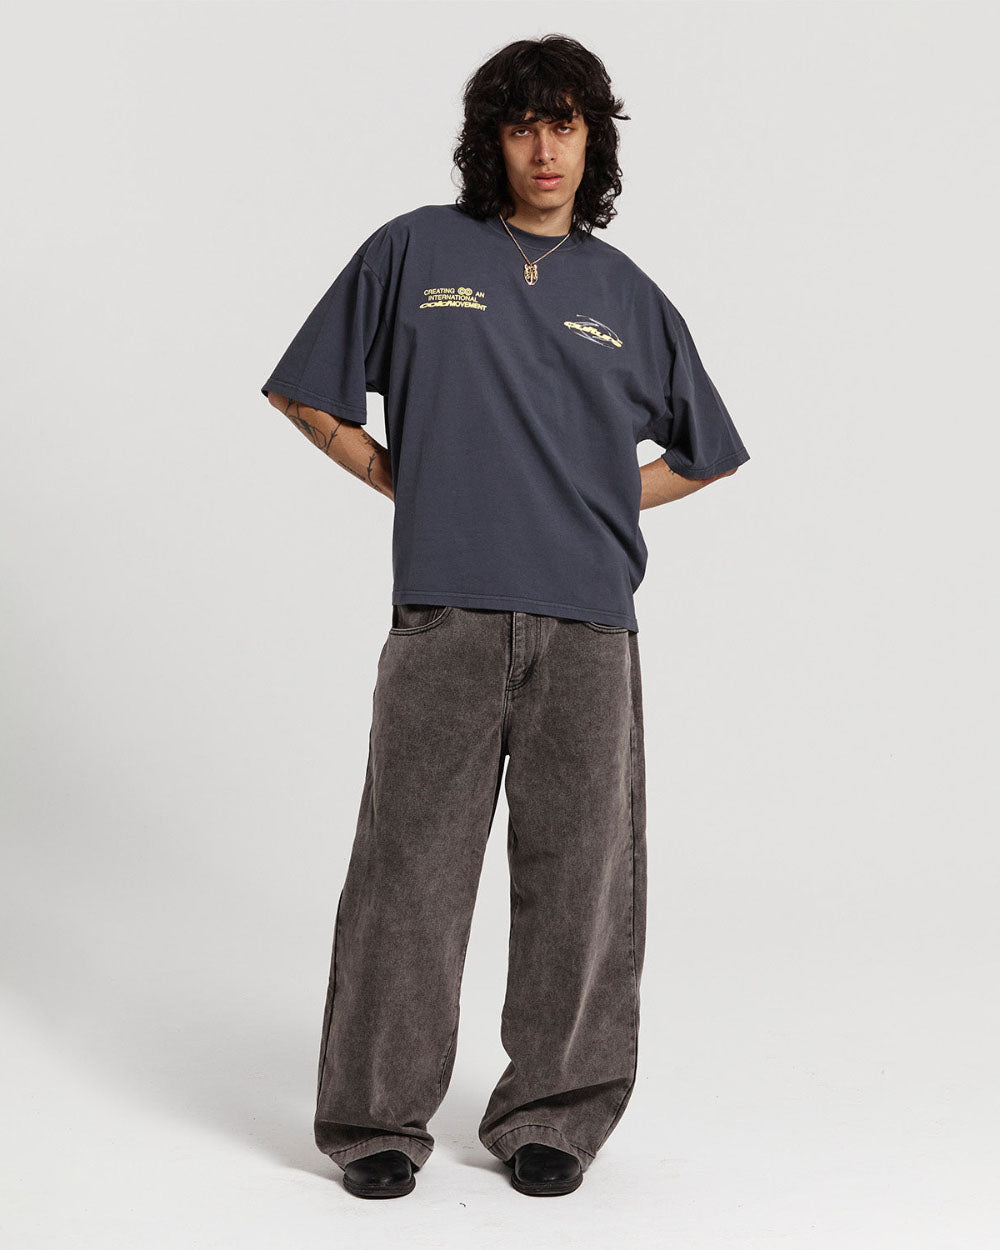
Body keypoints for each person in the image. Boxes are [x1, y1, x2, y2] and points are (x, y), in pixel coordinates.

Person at [260, 34, 749, 1200]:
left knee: (582, 878)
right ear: (492, 138)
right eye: (522, 124)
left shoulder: (627, 297)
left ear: (593, 143)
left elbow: (708, 451)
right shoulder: (414, 250)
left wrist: (591, 499)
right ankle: (375, 1118)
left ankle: (553, 1115)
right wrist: (403, 477)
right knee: (408, 873)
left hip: (588, 625)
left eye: (564, 124)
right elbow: (302, 389)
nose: (543, 148)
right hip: (445, 617)